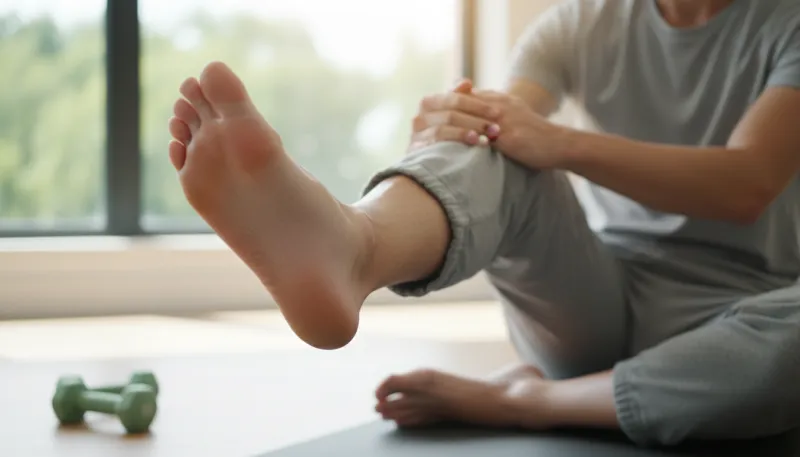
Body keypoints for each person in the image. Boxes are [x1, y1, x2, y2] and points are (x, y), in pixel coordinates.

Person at [165, 0, 800, 447]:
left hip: (742, 318)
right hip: (594, 309)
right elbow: (501, 138)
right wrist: (442, 141)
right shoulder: (579, 23)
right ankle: (357, 246)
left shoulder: (788, 23)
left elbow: (747, 182)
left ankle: (524, 401)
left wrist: (559, 142)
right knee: (495, 138)